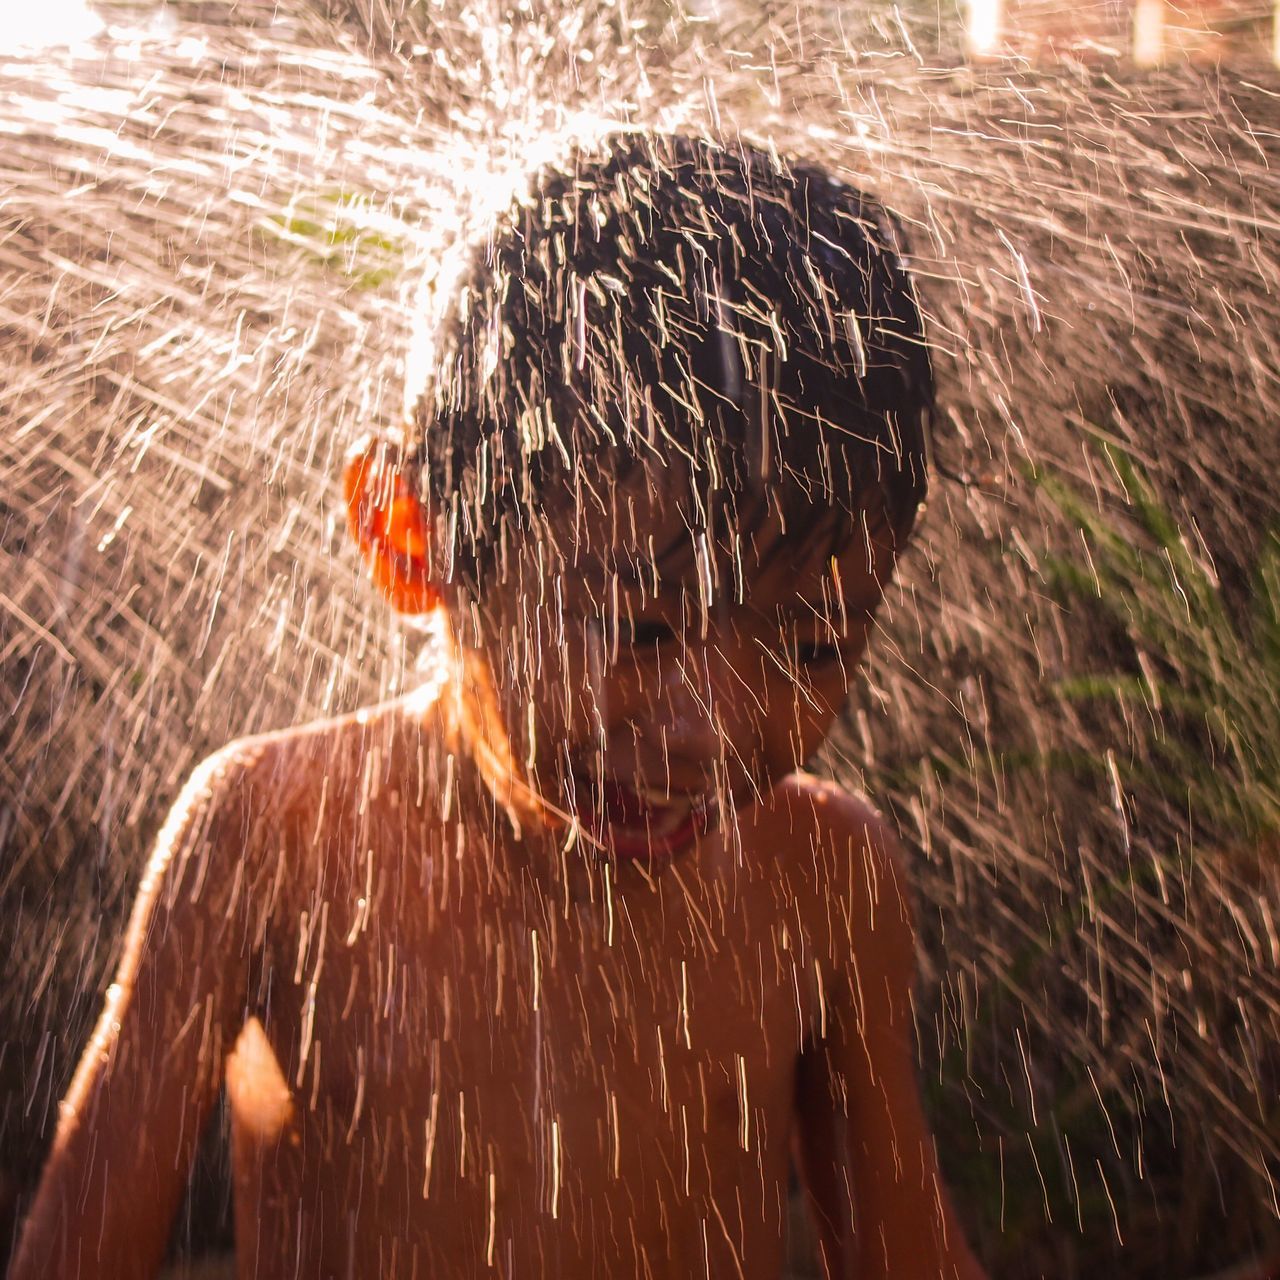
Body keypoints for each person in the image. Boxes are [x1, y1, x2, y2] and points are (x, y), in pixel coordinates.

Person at [12, 130, 985, 1280]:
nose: (710, 728)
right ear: (410, 532)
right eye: (638, 628)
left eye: (813, 642)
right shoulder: (274, 839)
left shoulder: (819, 878)